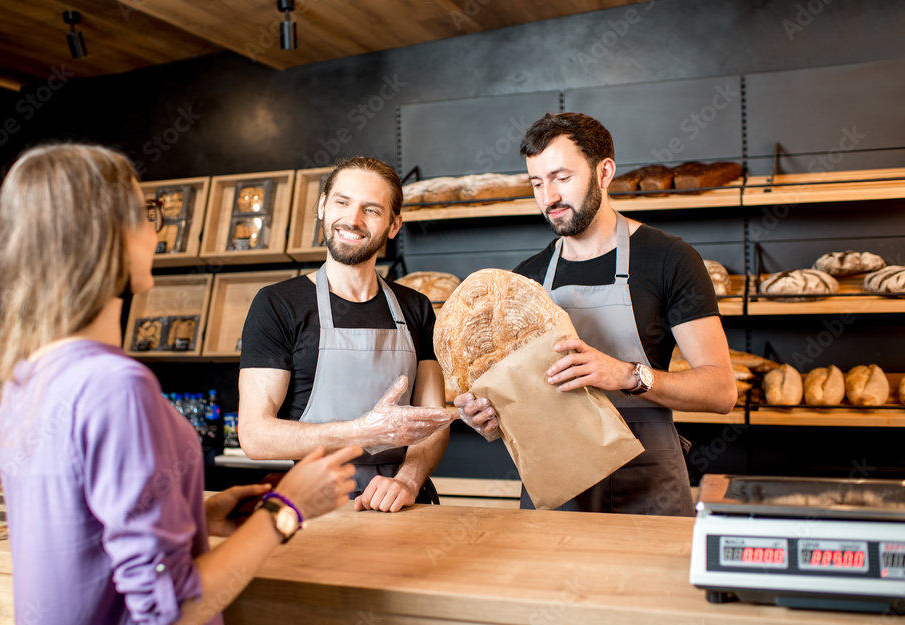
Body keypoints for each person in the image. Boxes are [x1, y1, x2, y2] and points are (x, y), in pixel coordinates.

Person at [0, 144, 360, 625]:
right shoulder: (116, 386)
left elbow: (85, 535)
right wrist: (286, 510)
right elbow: (172, 614)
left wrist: (196, 515)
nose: (156, 231)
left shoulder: (26, 376)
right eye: (147, 214)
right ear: (104, 235)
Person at [455, 113, 737, 517]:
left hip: (648, 480)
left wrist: (625, 375)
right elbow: (516, 404)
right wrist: (489, 417)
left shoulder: (668, 259)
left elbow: (722, 391)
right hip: (556, 477)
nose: (548, 196)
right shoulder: (525, 281)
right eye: (537, 182)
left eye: (561, 178)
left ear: (604, 172)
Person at [238, 156, 455, 513]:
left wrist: (407, 480)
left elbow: (433, 420)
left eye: (371, 210)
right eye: (342, 202)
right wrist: (363, 432)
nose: (352, 220)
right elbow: (254, 435)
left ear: (393, 224)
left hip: (402, 503)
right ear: (322, 206)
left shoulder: (415, 307)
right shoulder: (278, 304)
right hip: (314, 505)